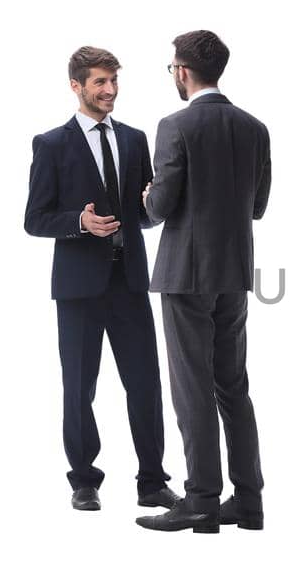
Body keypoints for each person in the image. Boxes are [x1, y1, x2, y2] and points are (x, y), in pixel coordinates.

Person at [24, 46, 180, 513]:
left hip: (129, 279)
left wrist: (153, 205)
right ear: (76, 85)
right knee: (79, 386)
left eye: (114, 81)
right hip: (78, 286)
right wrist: (78, 222)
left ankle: (152, 481)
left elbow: (143, 214)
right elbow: (35, 218)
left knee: (146, 384)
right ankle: (84, 480)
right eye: (100, 82)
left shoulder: (134, 139)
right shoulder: (51, 144)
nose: (110, 90)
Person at [135, 30, 271, 534]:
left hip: (186, 273)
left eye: (172, 67)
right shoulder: (255, 128)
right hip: (234, 273)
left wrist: (149, 194)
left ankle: (201, 500)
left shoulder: (175, 125)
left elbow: (159, 206)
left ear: (183, 71)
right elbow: (257, 206)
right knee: (232, 387)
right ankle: (249, 501)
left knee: (191, 388)